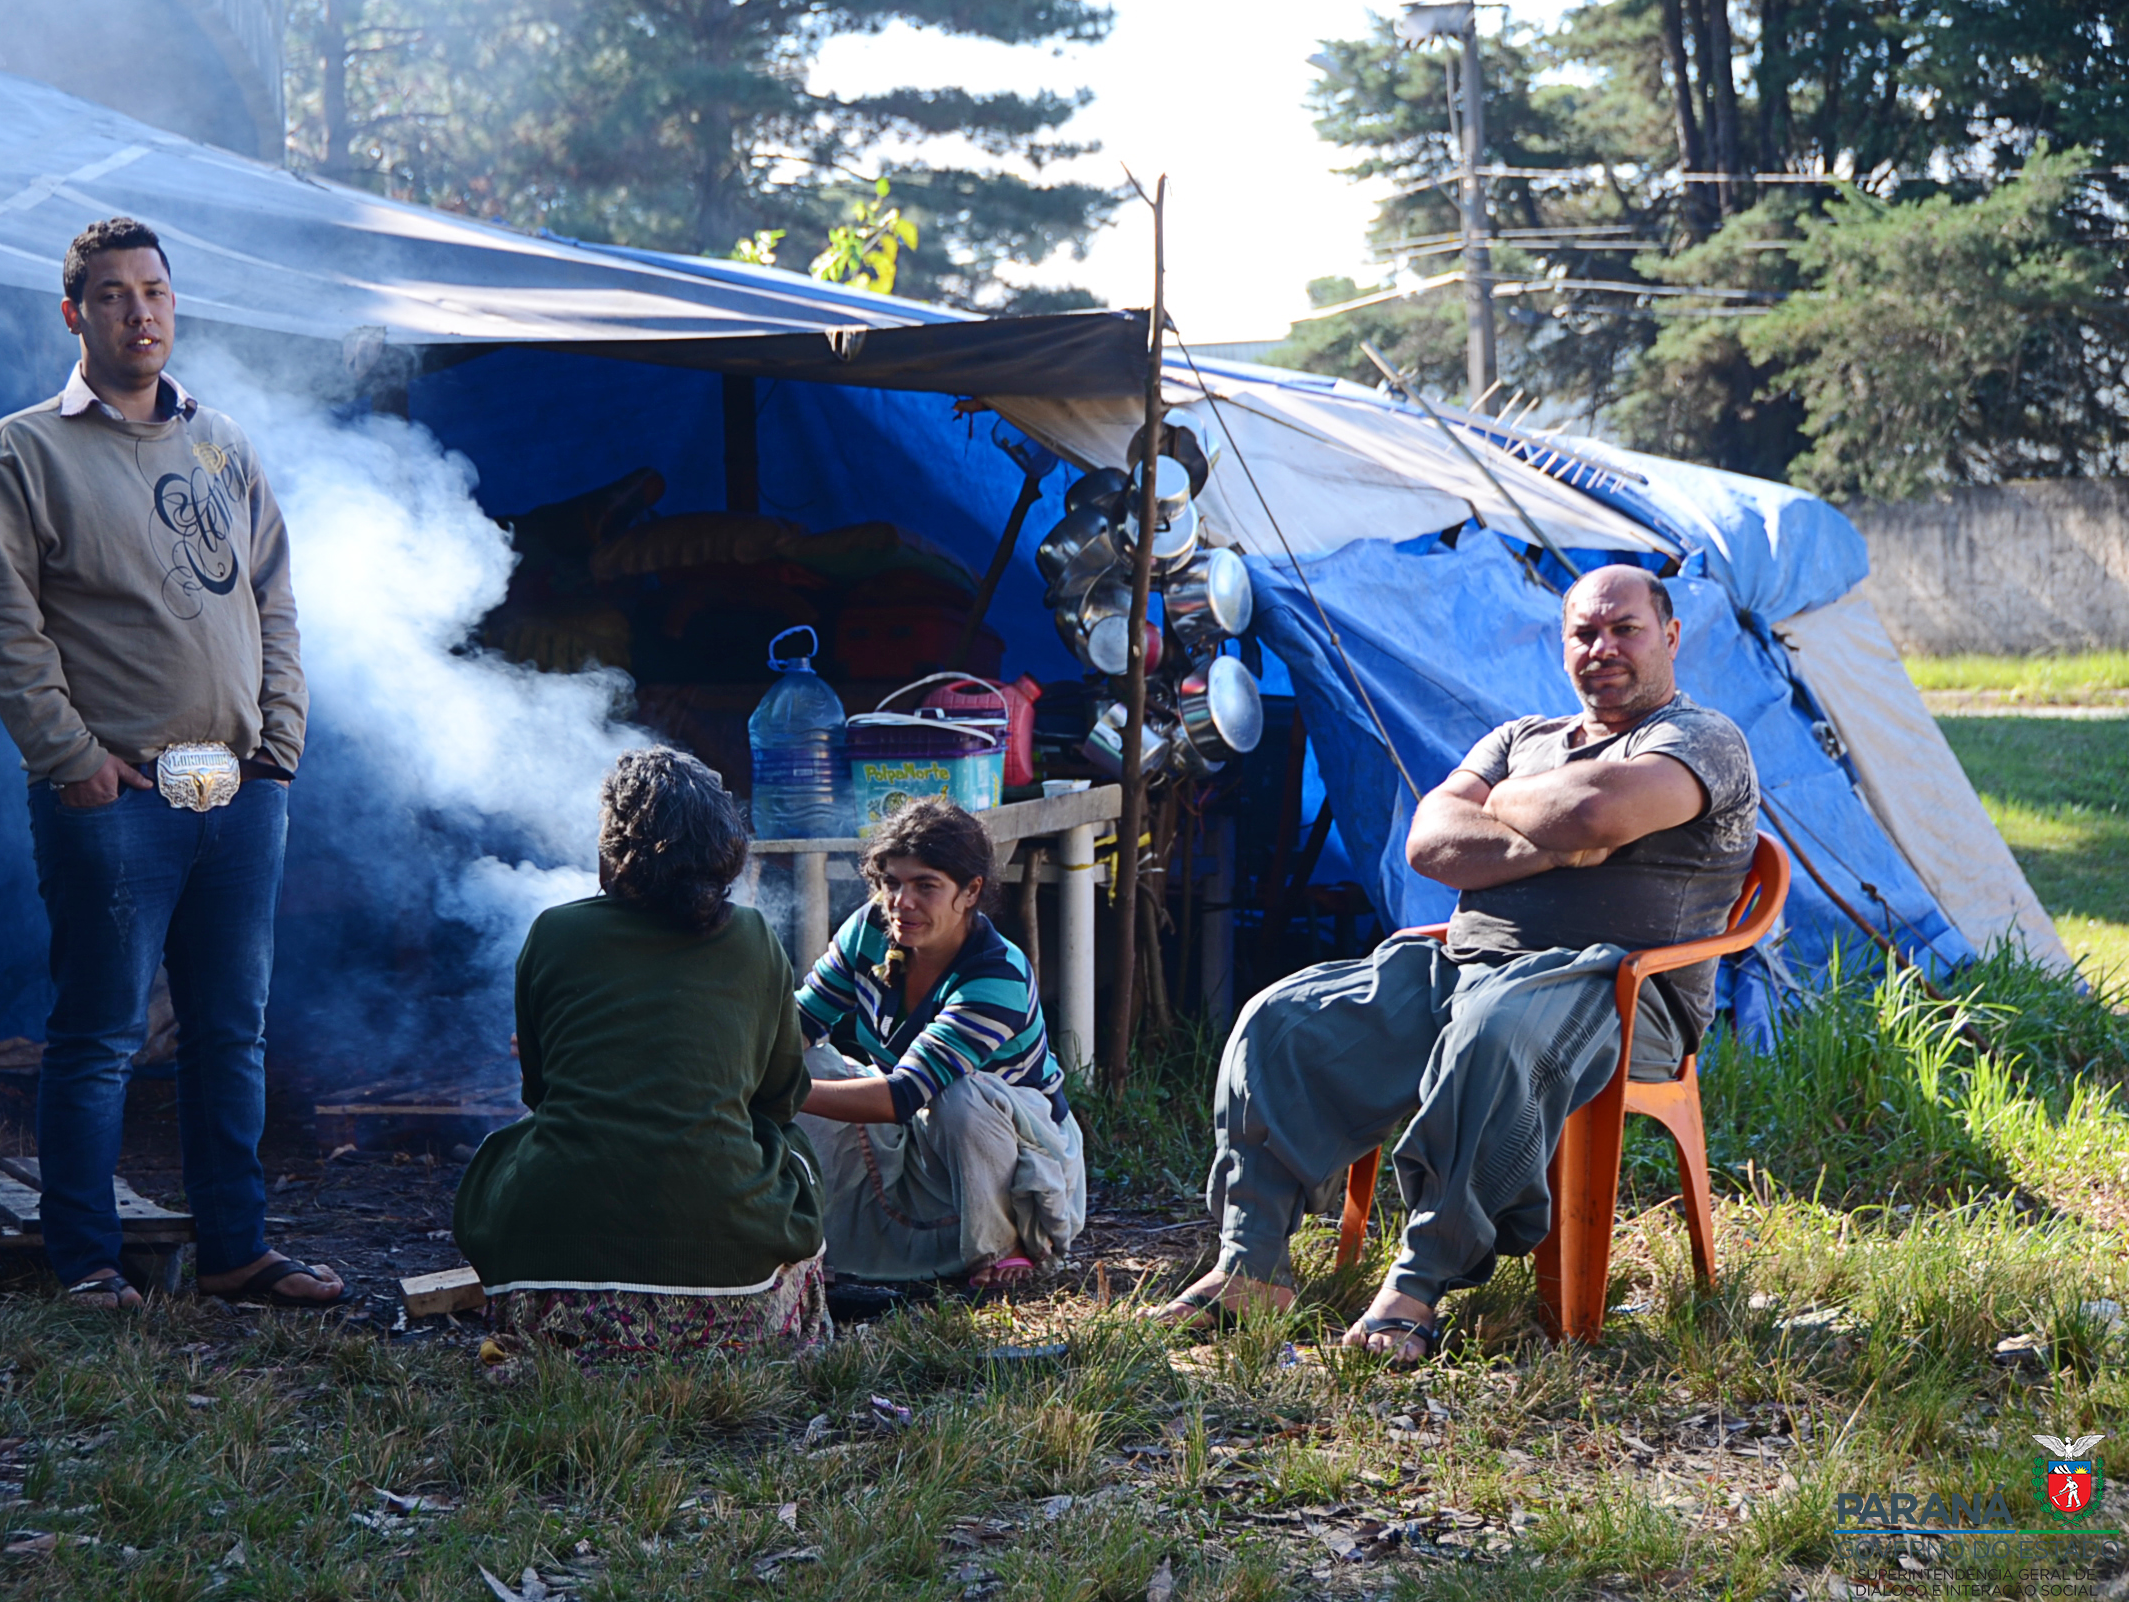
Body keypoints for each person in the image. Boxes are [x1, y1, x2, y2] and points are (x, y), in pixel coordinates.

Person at [1155, 565, 1757, 1365]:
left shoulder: (1701, 738)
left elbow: (1596, 811)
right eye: (1585, 632)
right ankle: (1252, 1264)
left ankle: (1417, 1282)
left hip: (1616, 991)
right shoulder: (1520, 739)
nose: (1603, 647)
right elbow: (1432, 840)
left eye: (1626, 629)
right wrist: (1561, 834)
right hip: (1463, 965)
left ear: (1670, 637)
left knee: (1494, 1030)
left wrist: (1516, 810)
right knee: (1283, 1018)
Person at [0, 217, 337, 1309]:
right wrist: (70, 760)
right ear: (75, 314)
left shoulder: (219, 441)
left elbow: (271, 592)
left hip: (236, 784)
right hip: (114, 794)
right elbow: (4, 627)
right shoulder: (22, 452)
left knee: (232, 1029)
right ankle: (85, 1261)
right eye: (116, 296)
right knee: (102, 1033)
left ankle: (236, 1252)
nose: (142, 313)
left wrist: (280, 744)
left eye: (157, 292)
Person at [452, 748, 829, 1357]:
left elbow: (540, 1091)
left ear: (615, 847)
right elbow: (781, 1097)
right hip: (735, 1289)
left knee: (513, 1150)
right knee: (794, 1148)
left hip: (558, 1283)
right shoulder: (756, 938)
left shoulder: (553, 932)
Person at [795, 797, 1087, 1288]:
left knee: (959, 1097)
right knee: (802, 1061)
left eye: (926, 886)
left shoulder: (997, 974)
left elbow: (906, 1092)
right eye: (892, 882)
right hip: (917, 1141)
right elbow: (801, 1021)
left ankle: (1002, 1249)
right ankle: (825, 1240)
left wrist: (779, 1090)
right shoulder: (870, 931)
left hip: (1015, 1159)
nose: (901, 902)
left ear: (970, 891)